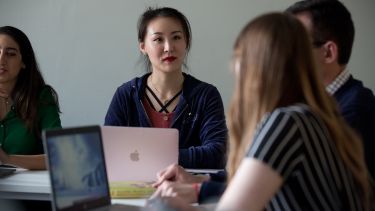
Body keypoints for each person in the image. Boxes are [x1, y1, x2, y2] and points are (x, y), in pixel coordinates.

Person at [150, 12, 373, 210]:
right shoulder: (314, 117)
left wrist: (167, 205)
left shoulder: (287, 122)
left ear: (257, 66)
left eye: (239, 56)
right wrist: (199, 182)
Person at [104, 7, 227, 169]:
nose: (169, 47)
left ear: (186, 42)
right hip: (134, 190)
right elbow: (108, 152)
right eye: (158, 40)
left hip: (186, 190)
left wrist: (149, 156)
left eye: (176, 37)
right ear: (143, 47)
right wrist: (177, 156)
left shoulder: (206, 95)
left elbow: (217, 154)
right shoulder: (126, 94)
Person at [286, 0, 375, 180]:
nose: (286, 54)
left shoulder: (354, 110)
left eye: (296, 45)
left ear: (328, 53)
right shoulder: (312, 102)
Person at [0, 26, 61, 170]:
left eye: (10, 54)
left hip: (26, 188)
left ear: (23, 62)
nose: (1, 59)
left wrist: (7, 159)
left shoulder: (41, 97)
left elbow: (58, 156)